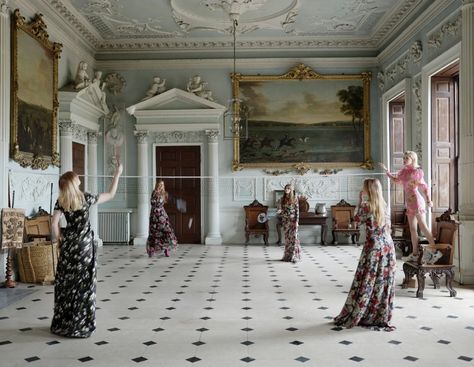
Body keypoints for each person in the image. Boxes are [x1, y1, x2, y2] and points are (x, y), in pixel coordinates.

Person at [50, 162, 123, 338]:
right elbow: (111, 194)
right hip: (84, 246)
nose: (79, 178)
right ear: (73, 182)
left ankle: (64, 323)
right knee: (83, 284)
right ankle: (80, 323)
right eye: (76, 177)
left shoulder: (62, 201)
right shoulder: (86, 198)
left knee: (67, 284)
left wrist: (59, 238)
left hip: (69, 247)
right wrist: (117, 175)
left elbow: (53, 223)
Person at [334, 178, 396, 331]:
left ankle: (363, 313)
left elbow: (355, 221)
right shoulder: (385, 205)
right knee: (382, 281)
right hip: (388, 247)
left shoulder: (365, 206)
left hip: (373, 247)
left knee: (367, 280)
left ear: (368, 190)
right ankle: (379, 315)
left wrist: (360, 200)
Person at [379, 150, 435, 262]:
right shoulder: (404, 172)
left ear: (413, 159)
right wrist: (387, 171)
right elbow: (396, 180)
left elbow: (424, 187)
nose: (404, 160)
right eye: (403, 158)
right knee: (413, 229)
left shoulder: (417, 171)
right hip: (409, 202)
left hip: (417, 201)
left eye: (406, 158)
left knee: (423, 227)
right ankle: (415, 254)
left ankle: (435, 251)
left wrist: (429, 200)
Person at [146, 180, 178, 258]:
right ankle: (152, 250)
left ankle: (166, 250)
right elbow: (152, 203)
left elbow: (165, 202)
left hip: (162, 215)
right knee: (154, 233)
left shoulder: (165, 194)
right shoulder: (154, 192)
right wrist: (157, 193)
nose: (161, 186)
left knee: (166, 231)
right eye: (160, 184)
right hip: (154, 215)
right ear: (157, 185)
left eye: (162, 184)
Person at [278, 183, 301, 263]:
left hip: (293, 221)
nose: (286, 190)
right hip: (285, 221)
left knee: (294, 239)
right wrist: (280, 211)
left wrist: (297, 222)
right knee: (287, 239)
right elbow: (280, 211)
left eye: (288, 188)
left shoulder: (295, 198)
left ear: (291, 190)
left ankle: (294, 257)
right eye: (285, 188)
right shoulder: (282, 199)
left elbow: (297, 211)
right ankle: (287, 256)